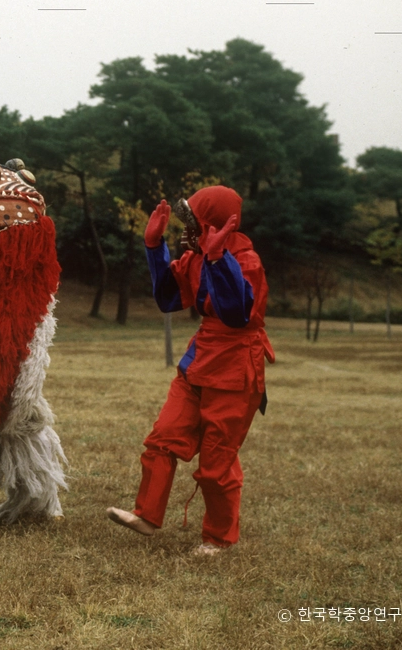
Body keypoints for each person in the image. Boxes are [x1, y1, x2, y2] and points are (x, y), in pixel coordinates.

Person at [107, 185, 274, 556]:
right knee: (162, 439)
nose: (187, 229)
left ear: (213, 224)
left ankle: (218, 539)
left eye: (194, 221)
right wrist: (154, 248)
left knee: (216, 463)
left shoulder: (247, 262)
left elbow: (237, 315)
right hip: (197, 363)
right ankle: (146, 516)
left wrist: (219, 261)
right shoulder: (197, 257)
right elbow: (169, 298)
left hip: (235, 371)